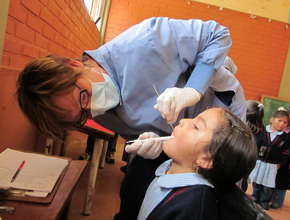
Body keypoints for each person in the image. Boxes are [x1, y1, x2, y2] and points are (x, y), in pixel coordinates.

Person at [16, 17, 246, 217]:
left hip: (217, 113)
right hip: (177, 140)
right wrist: (149, 141)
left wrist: (193, 90)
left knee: (213, 194)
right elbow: (140, 129)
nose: (94, 110)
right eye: (82, 116)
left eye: (84, 98)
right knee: (137, 184)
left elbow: (217, 34)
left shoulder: (146, 41)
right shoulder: (93, 109)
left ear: (75, 65)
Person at [125, 108, 272, 220]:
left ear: (206, 160)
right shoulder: (167, 166)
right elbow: (132, 203)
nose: (183, 121)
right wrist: (144, 160)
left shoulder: (194, 208)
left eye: (196, 126)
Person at [249, 110, 290, 210]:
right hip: (260, 162)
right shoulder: (262, 132)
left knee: (268, 184)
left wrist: (280, 163)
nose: (282, 124)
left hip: (273, 165)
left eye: (285, 122)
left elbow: (286, 152)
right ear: (272, 120)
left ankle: (264, 201)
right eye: (279, 120)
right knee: (257, 180)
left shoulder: (284, 138)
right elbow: (255, 145)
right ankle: (255, 197)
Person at [270, 106, 290, 208]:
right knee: (273, 178)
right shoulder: (283, 127)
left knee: (282, 181)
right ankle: (270, 198)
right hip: (277, 159)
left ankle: (278, 202)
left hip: (289, 161)